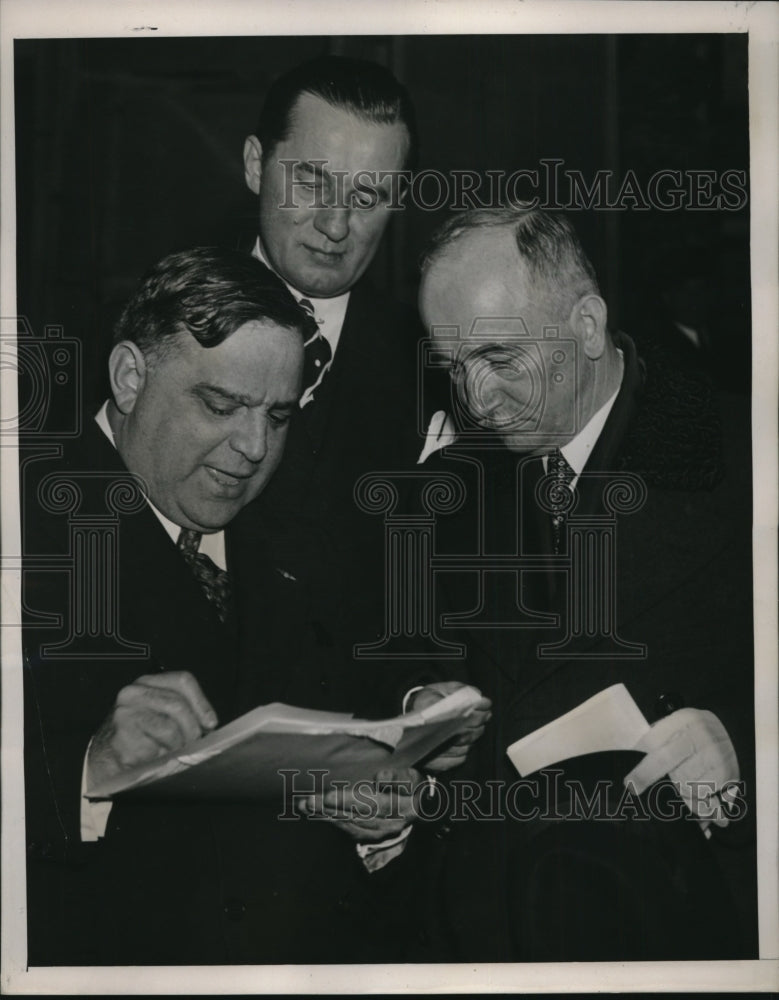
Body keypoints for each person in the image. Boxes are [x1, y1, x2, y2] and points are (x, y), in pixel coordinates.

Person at [21, 247, 486, 965]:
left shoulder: (303, 540)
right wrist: (89, 768)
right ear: (128, 377)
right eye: (220, 406)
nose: (252, 448)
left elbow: (359, 723)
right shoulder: (22, 525)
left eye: (277, 416)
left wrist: (385, 814)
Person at [414, 206, 756, 960]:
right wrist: (420, 719)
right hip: (498, 939)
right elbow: (424, 671)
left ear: (588, 325)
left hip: (694, 932)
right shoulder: (449, 489)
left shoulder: (748, 457)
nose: (475, 400)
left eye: (501, 359)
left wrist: (745, 748)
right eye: (452, 367)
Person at [234, 54, 441, 706]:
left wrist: (419, 704)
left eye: (366, 197)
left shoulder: (437, 368)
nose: (334, 225)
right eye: (312, 182)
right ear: (253, 165)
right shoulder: (139, 335)